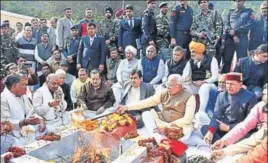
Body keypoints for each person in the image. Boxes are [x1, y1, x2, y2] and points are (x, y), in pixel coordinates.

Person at [116, 74, 196, 140]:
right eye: (167, 85)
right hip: (162, 121)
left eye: (170, 85)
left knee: (185, 134)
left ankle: (159, 137)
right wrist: (126, 107)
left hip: (178, 125)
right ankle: (159, 138)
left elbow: (187, 119)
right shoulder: (164, 92)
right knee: (146, 113)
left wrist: (167, 127)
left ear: (179, 86)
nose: (168, 87)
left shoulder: (190, 97)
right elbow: (147, 102)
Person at [202, 72, 258, 144]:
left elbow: (250, 121)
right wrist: (211, 131)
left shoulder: (250, 97)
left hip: (239, 130)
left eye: (231, 84)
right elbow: (216, 116)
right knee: (205, 128)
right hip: (222, 128)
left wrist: (229, 128)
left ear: (240, 85)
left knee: (248, 137)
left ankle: (222, 142)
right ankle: (223, 142)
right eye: (227, 83)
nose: (228, 86)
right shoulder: (221, 96)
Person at [212, 84, 267, 149]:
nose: (265, 97)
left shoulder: (250, 97)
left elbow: (257, 138)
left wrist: (228, 128)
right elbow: (245, 126)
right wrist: (223, 141)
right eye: (264, 94)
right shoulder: (260, 106)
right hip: (257, 142)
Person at [1, 73, 46, 149]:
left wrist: (40, 120)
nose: (26, 87)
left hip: (26, 132)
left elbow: (31, 111)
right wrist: (25, 122)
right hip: (12, 136)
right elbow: (5, 122)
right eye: (23, 85)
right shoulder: (3, 98)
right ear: (14, 86)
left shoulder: (23, 95)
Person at [221, 0, 255, 73]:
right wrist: (233, 35)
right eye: (236, 1)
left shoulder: (249, 12)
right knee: (226, 59)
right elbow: (226, 25)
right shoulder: (230, 12)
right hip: (230, 38)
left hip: (242, 38)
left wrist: (235, 31)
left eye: (239, 1)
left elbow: (250, 25)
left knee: (242, 60)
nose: (237, 3)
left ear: (244, 1)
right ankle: (224, 78)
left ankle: (241, 79)